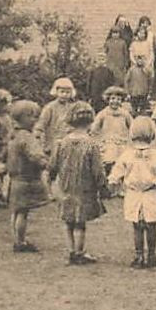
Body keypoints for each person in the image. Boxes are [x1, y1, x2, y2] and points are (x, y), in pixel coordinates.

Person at [109, 117, 156, 269]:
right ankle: (151, 255)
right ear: (152, 134)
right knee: (151, 225)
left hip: (133, 194)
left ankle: (139, 255)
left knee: (137, 226)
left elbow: (117, 172)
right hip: (152, 194)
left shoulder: (126, 155)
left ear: (131, 133)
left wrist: (113, 181)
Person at [47, 101, 106, 266]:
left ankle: (71, 251)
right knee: (80, 223)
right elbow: (98, 170)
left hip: (65, 186)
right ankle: (80, 252)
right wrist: (102, 186)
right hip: (84, 188)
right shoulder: (91, 144)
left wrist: (52, 180)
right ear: (90, 121)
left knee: (68, 222)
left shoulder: (61, 142)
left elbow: (52, 166)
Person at [5, 99, 51, 254]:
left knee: (16, 210)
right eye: (32, 117)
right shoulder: (27, 137)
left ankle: (17, 239)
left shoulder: (13, 135)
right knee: (23, 212)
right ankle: (21, 242)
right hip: (26, 179)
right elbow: (35, 156)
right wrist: (47, 163)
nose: (35, 120)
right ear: (24, 117)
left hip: (15, 179)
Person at [91, 86, 133, 195]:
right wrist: (97, 140)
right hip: (108, 142)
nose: (115, 101)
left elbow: (132, 127)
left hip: (122, 143)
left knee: (123, 165)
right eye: (113, 99)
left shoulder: (125, 114)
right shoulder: (103, 114)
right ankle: (109, 188)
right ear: (108, 99)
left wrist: (131, 137)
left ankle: (122, 188)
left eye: (118, 99)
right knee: (109, 164)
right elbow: (94, 128)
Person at [33, 77, 79, 154]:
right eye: (62, 92)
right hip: (52, 142)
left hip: (67, 142)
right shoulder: (50, 107)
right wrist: (38, 135)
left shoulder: (72, 108)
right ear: (56, 92)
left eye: (67, 92)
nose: (64, 94)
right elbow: (41, 123)